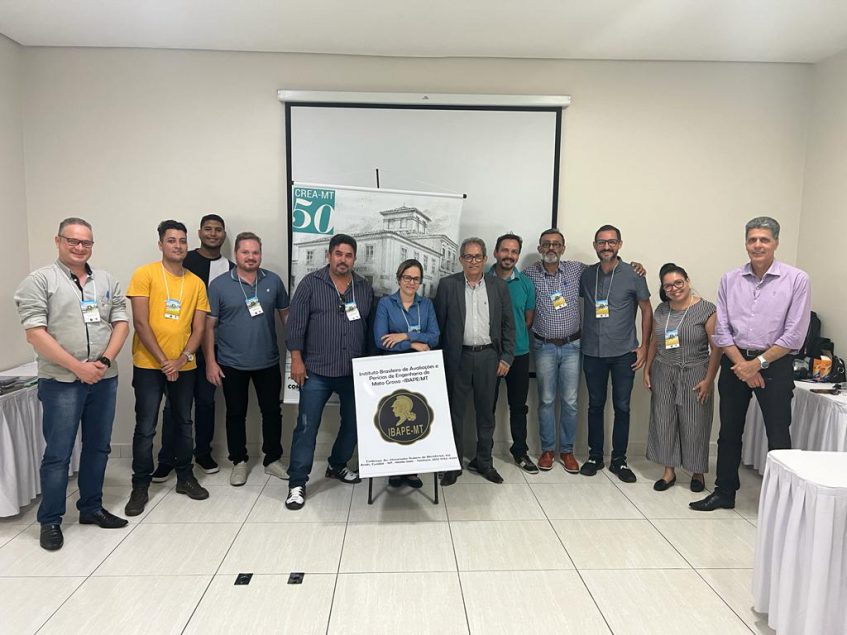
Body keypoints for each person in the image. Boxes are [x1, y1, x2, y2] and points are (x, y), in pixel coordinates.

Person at [14, 218, 130, 551]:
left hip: (103, 378)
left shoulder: (105, 281)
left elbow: (121, 324)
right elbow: (35, 333)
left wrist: (103, 362)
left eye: (86, 242)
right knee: (58, 453)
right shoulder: (40, 281)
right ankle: (50, 520)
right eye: (73, 241)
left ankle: (91, 507)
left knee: (98, 447)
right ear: (58, 241)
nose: (80, 247)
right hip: (61, 381)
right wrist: (78, 367)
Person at [691, 216, 811, 511]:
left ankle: (781, 503)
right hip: (735, 361)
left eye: (764, 240)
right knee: (729, 431)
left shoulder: (797, 279)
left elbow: (794, 335)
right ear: (746, 243)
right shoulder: (730, 279)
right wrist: (743, 365)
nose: (758, 245)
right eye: (752, 239)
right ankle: (724, 492)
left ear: (776, 243)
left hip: (775, 363)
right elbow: (722, 331)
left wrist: (756, 364)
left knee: (778, 432)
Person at [523, 228, 647, 475]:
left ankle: (567, 451)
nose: (551, 248)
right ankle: (548, 450)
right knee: (546, 400)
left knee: (571, 401)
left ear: (563, 248)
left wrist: (637, 266)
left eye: (556, 244)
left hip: (573, 346)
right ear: (539, 248)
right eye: (546, 244)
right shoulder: (529, 274)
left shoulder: (577, 270)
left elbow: (608, 265)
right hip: (544, 345)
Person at [124, 220, 211, 516]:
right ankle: (140, 485)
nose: (178, 245)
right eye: (172, 240)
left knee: (184, 423)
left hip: (184, 366)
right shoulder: (145, 274)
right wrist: (164, 361)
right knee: (146, 427)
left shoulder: (196, 283)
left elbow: (199, 328)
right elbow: (140, 322)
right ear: (160, 244)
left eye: (182, 240)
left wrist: (181, 359)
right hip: (149, 365)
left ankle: (185, 477)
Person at [285, 234, 374, 510]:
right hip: (316, 371)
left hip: (352, 371)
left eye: (348, 255)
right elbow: (295, 325)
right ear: (329, 255)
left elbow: (368, 328)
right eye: (338, 254)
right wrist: (296, 360)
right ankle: (297, 483)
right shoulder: (310, 283)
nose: (343, 260)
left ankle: (337, 465)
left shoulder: (363, 287)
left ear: (354, 258)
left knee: (354, 423)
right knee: (306, 426)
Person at [204, 232, 289, 486]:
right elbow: (208, 327)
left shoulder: (273, 281)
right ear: (236, 254)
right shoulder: (219, 285)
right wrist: (211, 362)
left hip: (268, 361)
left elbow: (287, 317)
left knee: (272, 412)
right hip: (231, 363)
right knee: (235, 414)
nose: (251, 257)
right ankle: (239, 461)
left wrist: (297, 350)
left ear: (260, 254)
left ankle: (272, 459)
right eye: (245, 252)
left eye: (255, 252)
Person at [154, 213, 233, 480]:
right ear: (199, 233)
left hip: (212, 348)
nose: (213, 234)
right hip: (180, 347)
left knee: (206, 402)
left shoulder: (230, 267)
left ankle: (202, 453)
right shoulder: (181, 261)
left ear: (224, 235)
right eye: (208, 229)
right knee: (174, 406)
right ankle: (168, 457)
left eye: (218, 230)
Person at [435, 237, 515, 486]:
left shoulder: (498, 286)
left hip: (488, 357)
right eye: (468, 256)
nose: (473, 261)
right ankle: (453, 464)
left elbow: (508, 324)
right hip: (457, 358)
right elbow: (440, 325)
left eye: (477, 256)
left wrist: (507, 357)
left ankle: (484, 462)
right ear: (461, 259)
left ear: (485, 259)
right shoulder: (448, 285)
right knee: (454, 413)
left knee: (486, 413)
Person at [579, 225, 653, 483]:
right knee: (595, 405)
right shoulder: (587, 274)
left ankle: (619, 460)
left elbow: (646, 309)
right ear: (595, 245)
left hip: (624, 352)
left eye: (611, 242)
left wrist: (644, 347)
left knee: (622, 407)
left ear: (620, 244)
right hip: (592, 352)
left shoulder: (634, 274)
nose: (606, 246)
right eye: (601, 242)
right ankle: (595, 456)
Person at [643, 263, 720, 492]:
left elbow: (717, 348)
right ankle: (669, 472)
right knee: (664, 420)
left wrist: (709, 380)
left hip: (695, 372)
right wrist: (647, 369)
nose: (674, 288)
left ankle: (697, 472)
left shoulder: (707, 309)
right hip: (663, 371)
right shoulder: (662, 310)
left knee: (695, 423)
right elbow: (655, 341)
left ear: (687, 281)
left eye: (678, 282)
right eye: (668, 286)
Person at [374, 258, 440, 488]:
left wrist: (405, 336)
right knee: (393, 420)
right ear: (399, 278)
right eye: (407, 277)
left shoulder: (426, 305)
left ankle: (413, 470)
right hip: (392, 370)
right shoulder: (386, 304)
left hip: (420, 371)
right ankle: (394, 468)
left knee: (417, 418)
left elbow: (434, 337)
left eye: (416, 279)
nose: (411, 282)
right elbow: (381, 340)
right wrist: (413, 344)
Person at [489, 233, 537, 473]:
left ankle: (520, 451)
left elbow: (528, 320)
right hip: (489, 354)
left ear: (518, 255)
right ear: (496, 252)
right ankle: (483, 454)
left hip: (518, 354)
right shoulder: (483, 279)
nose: (509, 255)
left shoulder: (526, 284)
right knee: (486, 406)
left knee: (518, 407)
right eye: (505, 250)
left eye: (514, 251)